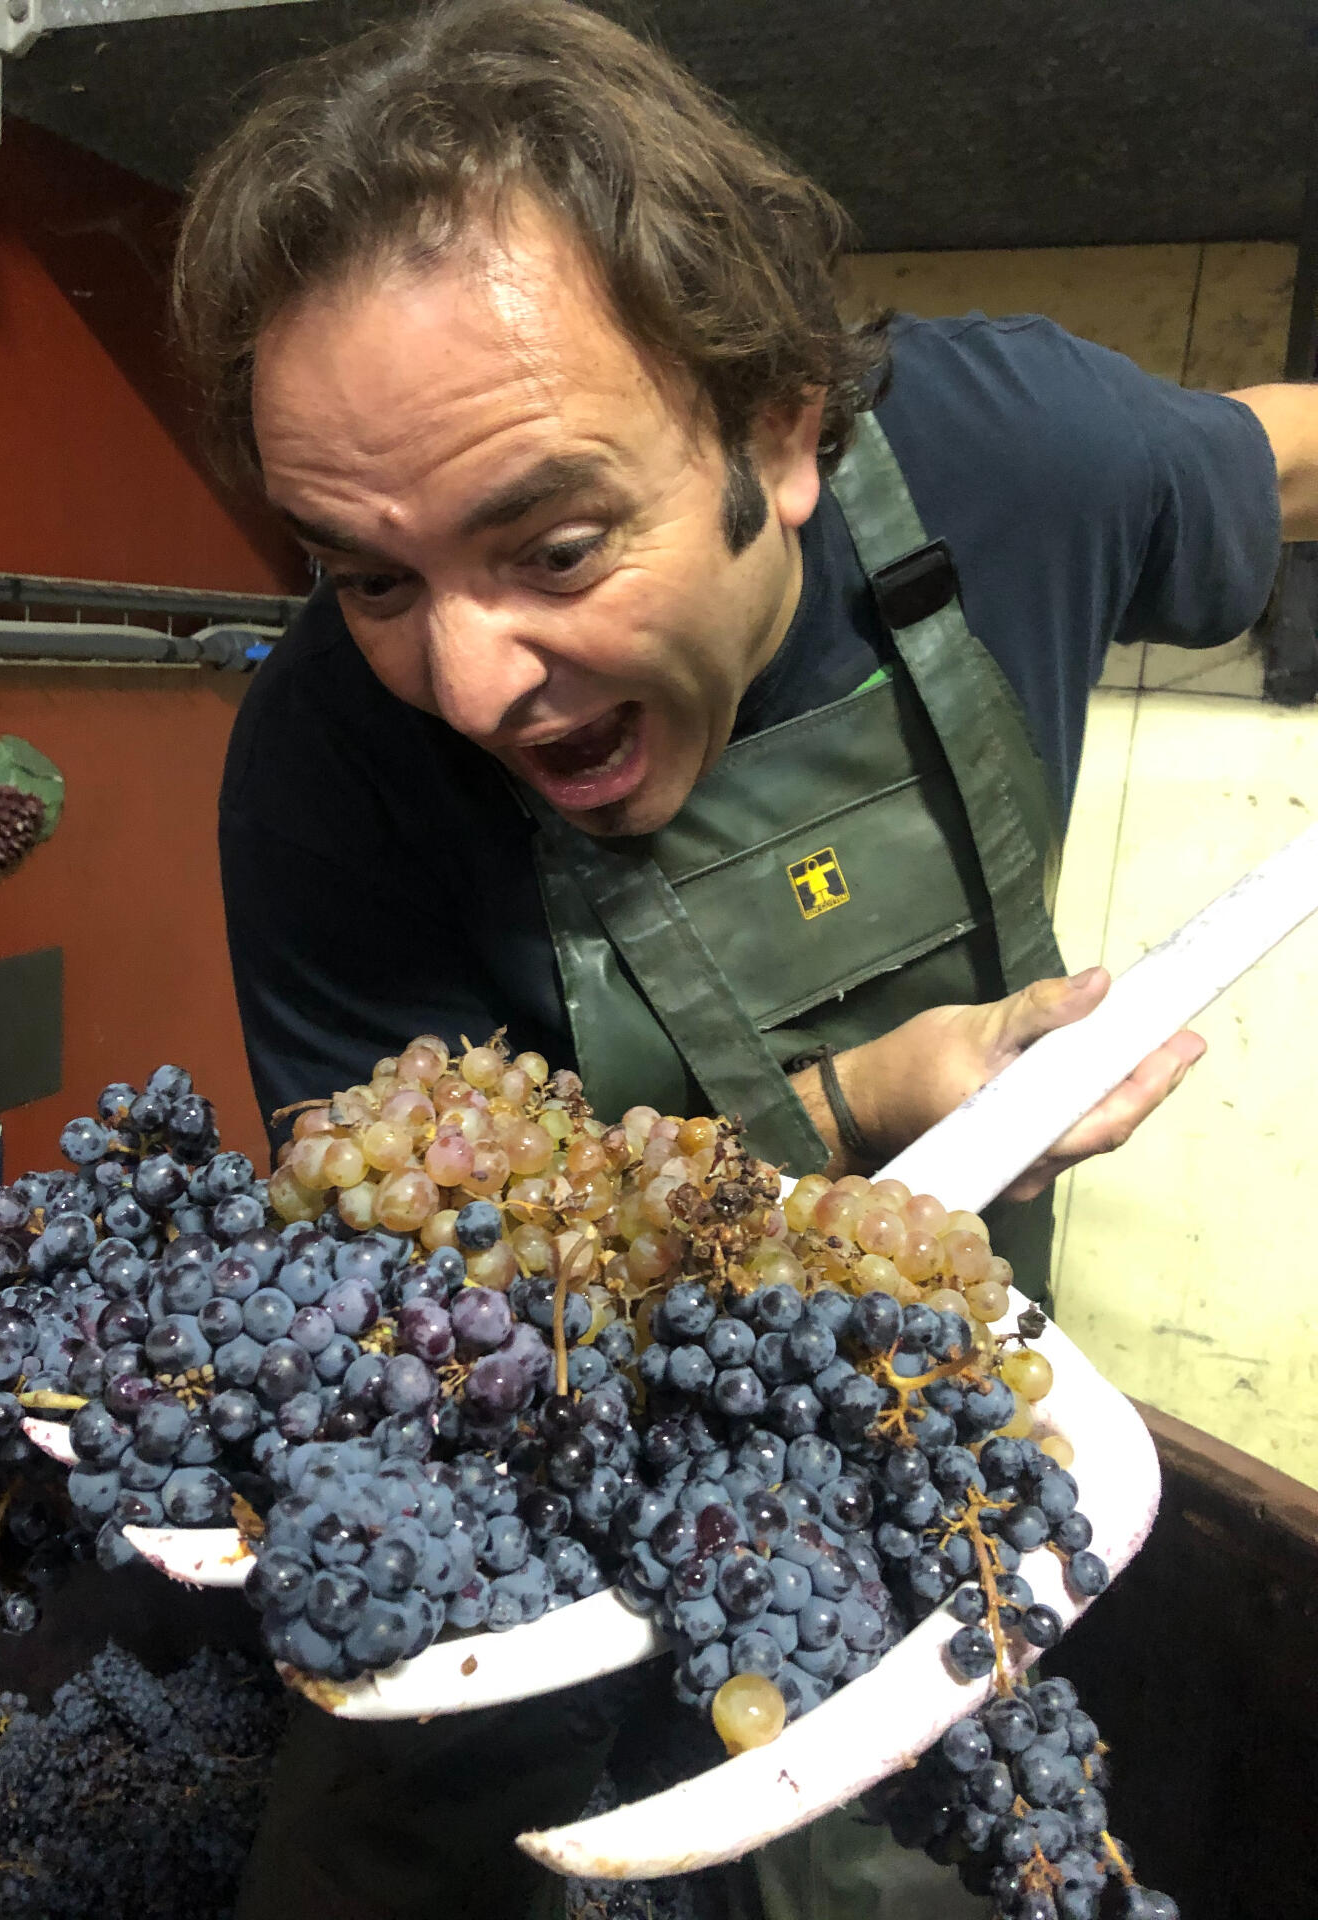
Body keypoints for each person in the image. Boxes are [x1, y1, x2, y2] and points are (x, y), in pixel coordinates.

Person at [171, 2, 1308, 1913]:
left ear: (778, 430)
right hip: (505, 1550)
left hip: (891, 1500)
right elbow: (413, 1298)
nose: (468, 680)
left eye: (554, 546)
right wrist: (855, 1109)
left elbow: (1264, 457)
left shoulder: (1016, 460)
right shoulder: (323, 770)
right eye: (372, 575)